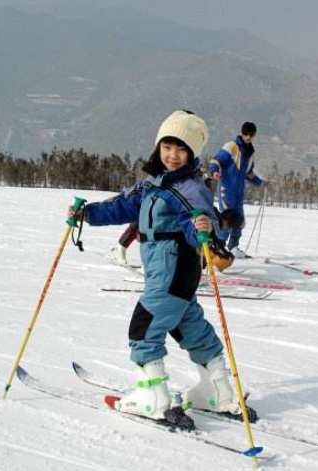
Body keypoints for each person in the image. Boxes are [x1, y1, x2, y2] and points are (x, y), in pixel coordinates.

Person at [67, 110, 249, 423]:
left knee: (144, 326)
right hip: (170, 272)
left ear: (191, 153)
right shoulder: (153, 184)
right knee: (188, 325)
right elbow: (122, 206)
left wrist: (203, 227)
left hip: (173, 267)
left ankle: (152, 396)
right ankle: (217, 391)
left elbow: (206, 228)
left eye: (181, 149)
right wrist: (88, 214)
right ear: (158, 146)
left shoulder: (190, 188)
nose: (173, 155)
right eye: (167, 146)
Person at [109, 208, 243, 272]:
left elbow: (215, 244)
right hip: (167, 236)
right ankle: (125, 252)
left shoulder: (213, 217)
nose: (228, 229)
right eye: (230, 226)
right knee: (143, 225)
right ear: (228, 222)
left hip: (181, 245)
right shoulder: (212, 220)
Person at [210, 122, 263, 258]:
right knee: (226, 219)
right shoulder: (231, 147)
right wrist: (215, 171)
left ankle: (233, 249)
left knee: (238, 220)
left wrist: (260, 182)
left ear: (254, 135)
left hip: (239, 192)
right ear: (242, 132)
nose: (248, 137)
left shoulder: (250, 152)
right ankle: (218, 249)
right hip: (227, 189)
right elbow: (216, 160)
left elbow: (248, 173)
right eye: (246, 134)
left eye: (251, 135)